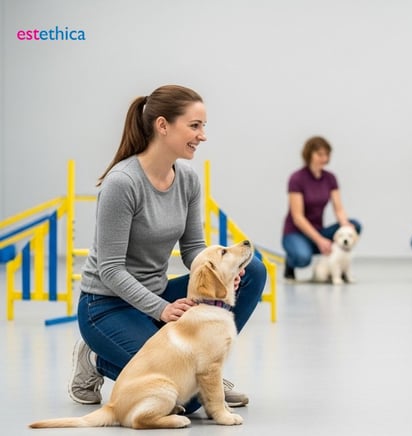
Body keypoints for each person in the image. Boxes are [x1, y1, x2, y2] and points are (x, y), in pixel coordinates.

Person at [69, 85, 267, 413]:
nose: (202, 135)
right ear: (163, 126)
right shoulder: (123, 183)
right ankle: (95, 358)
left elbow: (193, 248)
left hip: (159, 295)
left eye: (203, 126)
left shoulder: (187, 179)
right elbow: (111, 269)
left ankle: (209, 369)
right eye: (194, 126)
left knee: (253, 270)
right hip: (106, 307)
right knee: (185, 401)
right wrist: (161, 309)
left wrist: (225, 270)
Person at [282, 136, 361, 282]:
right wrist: (320, 241)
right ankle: (290, 263)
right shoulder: (297, 179)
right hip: (296, 232)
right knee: (302, 258)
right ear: (309, 155)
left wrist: (345, 224)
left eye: (326, 154)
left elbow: (339, 209)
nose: (324, 158)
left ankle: (341, 269)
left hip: (318, 229)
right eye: (320, 154)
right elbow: (298, 217)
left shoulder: (330, 178)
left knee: (354, 225)